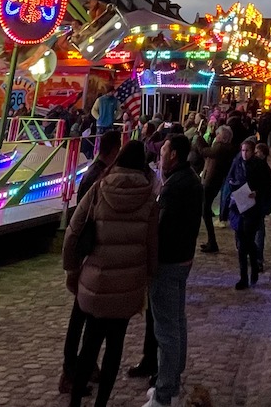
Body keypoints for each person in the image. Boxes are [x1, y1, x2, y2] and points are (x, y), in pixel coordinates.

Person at [62, 140, 158, 407]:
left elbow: (72, 232)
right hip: (128, 285)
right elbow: (152, 245)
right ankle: (101, 403)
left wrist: (71, 269)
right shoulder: (149, 198)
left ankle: (75, 402)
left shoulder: (99, 189)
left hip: (97, 279)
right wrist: (147, 278)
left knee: (90, 344)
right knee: (115, 347)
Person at [133, 133, 201, 407]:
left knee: (166, 329)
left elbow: (162, 227)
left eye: (163, 152)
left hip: (169, 262)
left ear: (173, 155)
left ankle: (164, 393)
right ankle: (171, 382)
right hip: (182, 259)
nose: (159, 156)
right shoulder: (190, 180)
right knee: (177, 322)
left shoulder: (175, 186)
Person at [227, 138, 271, 289]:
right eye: (242, 150)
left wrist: (257, 193)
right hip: (238, 206)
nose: (244, 154)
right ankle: (243, 277)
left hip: (253, 208)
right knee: (242, 242)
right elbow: (230, 178)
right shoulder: (237, 162)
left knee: (249, 240)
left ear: (253, 152)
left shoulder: (260, 165)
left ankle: (254, 265)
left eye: (247, 151)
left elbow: (267, 186)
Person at [200, 126, 237, 254]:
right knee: (204, 209)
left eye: (218, 135)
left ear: (224, 137)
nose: (216, 136)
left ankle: (212, 241)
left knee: (205, 210)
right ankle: (211, 241)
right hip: (211, 181)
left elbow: (205, 151)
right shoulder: (222, 147)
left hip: (212, 182)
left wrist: (198, 139)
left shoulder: (221, 147)